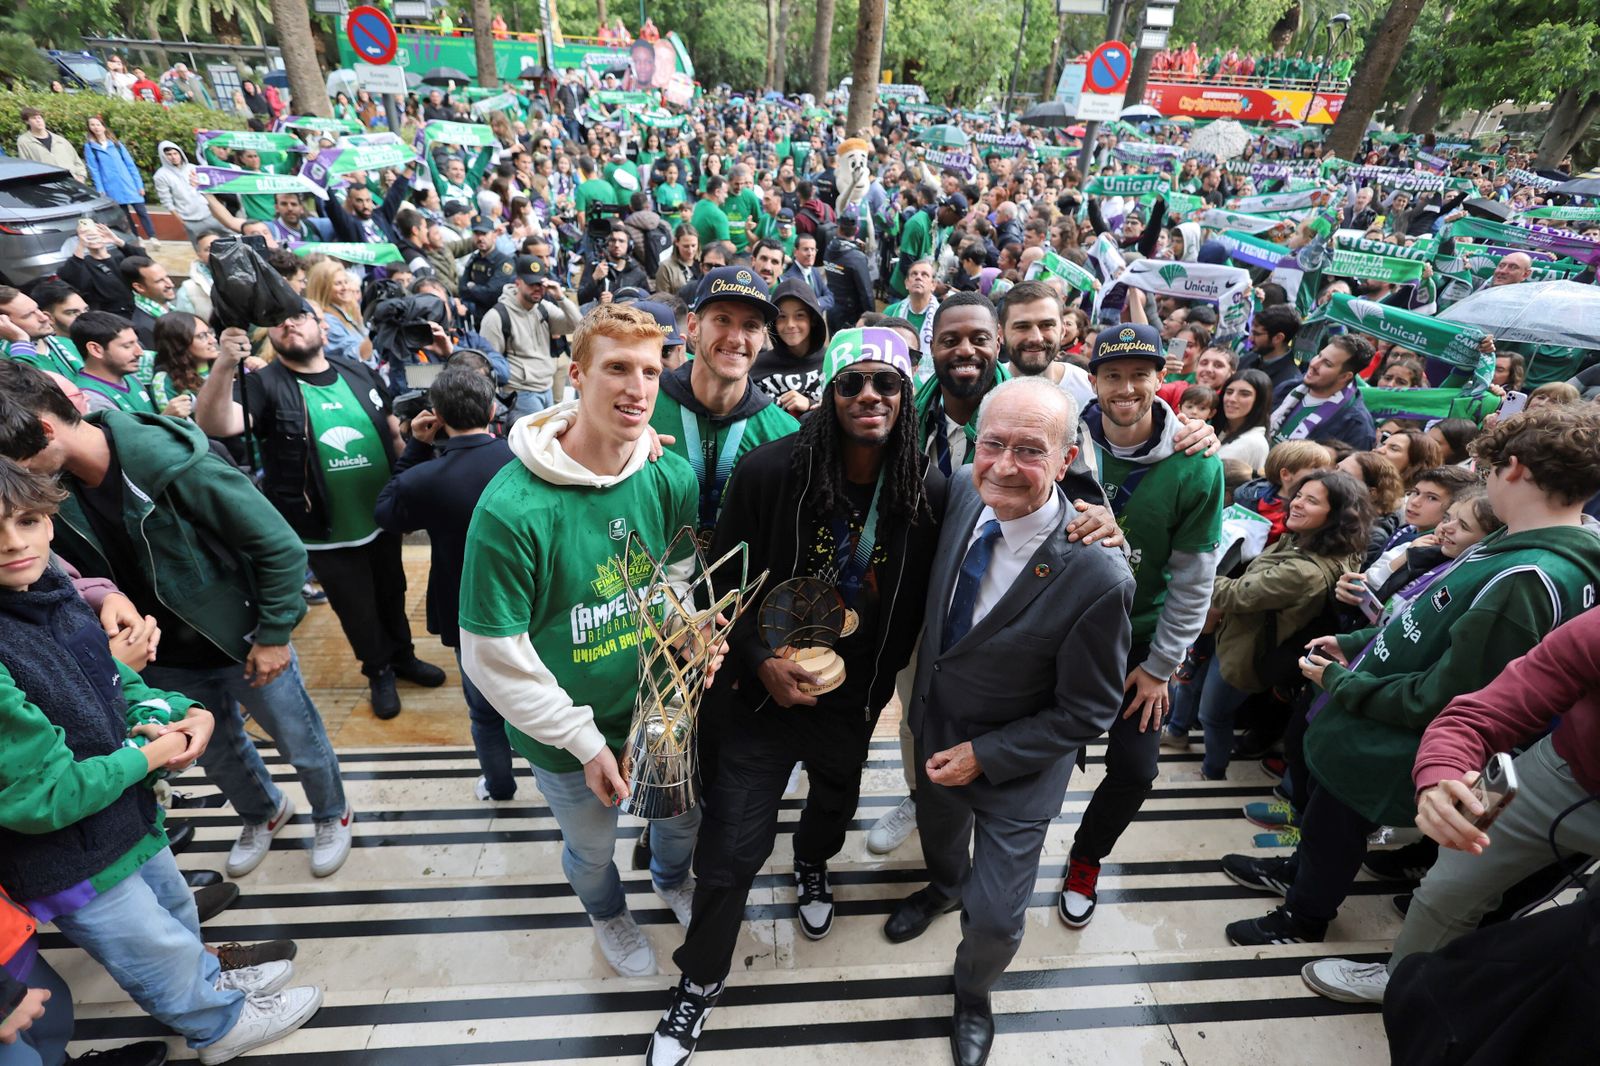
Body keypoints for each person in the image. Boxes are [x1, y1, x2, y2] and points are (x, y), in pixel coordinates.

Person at [648, 329, 945, 1064]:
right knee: (729, 851)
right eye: (852, 384)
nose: (870, 396)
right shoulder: (769, 470)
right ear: (830, 393)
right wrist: (756, 658)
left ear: (908, 397)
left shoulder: (928, 492)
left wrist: (1085, 517)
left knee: (833, 807)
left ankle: (813, 864)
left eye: (887, 383)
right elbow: (720, 587)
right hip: (758, 697)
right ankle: (701, 982)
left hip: (854, 700)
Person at [1220, 405, 1600, 946]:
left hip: (1386, 741)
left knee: (1336, 829)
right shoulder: (1515, 539)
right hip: (1369, 717)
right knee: (1324, 823)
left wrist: (1341, 682)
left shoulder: (1526, 577)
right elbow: (1426, 622)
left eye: (1487, 469)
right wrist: (1355, 643)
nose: (1483, 479)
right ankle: (1299, 873)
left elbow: (1448, 695)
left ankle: (1304, 915)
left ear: (1513, 469)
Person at [0, 457, 324, 1064]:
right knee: (147, 945)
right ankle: (216, 1025)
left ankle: (206, 981)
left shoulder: (50, 589)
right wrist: (152, 753)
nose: (15, 542)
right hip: (70, 855)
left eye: (27, 520)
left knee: (172, 914)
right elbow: (41, 795)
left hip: (122, 817)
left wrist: (178, 707)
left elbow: (106, 678)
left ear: (50, 519)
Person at [0, 360, 354, 880]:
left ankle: (331, 812)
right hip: (161, 655)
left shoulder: (170, 462)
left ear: (43, 432)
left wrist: (275, 636)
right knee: (215, 750)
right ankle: (264, 812)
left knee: (297, 736)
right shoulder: (48, 494)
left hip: (243, 639)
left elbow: (278, 546)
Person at [883, 377, 1134, 1066]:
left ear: (1066, 459)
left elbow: (1090, 710)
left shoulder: (1097, 576)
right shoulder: (964, 490)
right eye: (994, 443)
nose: (1003, 465)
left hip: (1017, 770)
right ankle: (940, 887)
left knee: (995, 918)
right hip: (934, 735)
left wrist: (986, 756)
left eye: (1031, 450)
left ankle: (972, 992)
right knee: (941, 843)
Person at [458, 303, 703, 978]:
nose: (638, 387)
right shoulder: (511, 510)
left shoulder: (669, 474)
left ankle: (671, 878)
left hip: (657, 708)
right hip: (567, 736)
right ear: (576, 376)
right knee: (592, 849)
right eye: (617, 368)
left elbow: (670, 577)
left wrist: (684, 630)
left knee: (680, 821)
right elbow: (491, 657)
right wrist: (584, 740)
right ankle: (606, 913)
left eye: (652, 370)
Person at [1303, 605, 1600, 1008]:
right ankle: (1403, 979)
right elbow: (1489, 708)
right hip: (1565, 772)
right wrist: (1442, 771)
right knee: (1450, 885)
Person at [194, 305, 446, 720]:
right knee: (356, 606)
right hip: (322, 529)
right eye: (278, 319)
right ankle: (378, 670)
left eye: (298, 315)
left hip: (381, 517)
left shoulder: (354, 369)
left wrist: (410, 485)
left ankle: (403, 657)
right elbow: (216, 423)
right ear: (269, 336)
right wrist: (224, 363)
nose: (288, 322)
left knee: (392, 592)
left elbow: (389, 426)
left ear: (321, 327)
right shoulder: (264, 383)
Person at [1058, 323, 1225, 926]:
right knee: (1035, 750)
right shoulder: (1064, 438)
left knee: (1135, 769)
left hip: (1142, 638)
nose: (1125, 387)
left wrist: (1163, 667)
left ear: (1161, 379)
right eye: (1112, 374)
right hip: (1062, 629)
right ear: (1094, 378)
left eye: (1139, 374)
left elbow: (1194, 574)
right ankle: (1009, 846)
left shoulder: (1197, 462)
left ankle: (1086, 857)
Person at [1167, 471, 1373, 774]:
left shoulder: (1302, 571)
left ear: (1337, 516)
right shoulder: (1316, 544)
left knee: (1213, 715)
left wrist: (1193, 567)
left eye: (1312, 501)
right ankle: (1180, 733)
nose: (1297, 504)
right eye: (1300, 495)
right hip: (1234, 636)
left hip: (1244, 652)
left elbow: (1233, 594)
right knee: (1194, 688)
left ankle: (1213, 770)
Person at [375, 367, 517, 800]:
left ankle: (499, 785)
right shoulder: (523, 462)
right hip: (530, 601)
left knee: (485, 714)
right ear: (493, 410)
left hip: (466, 610)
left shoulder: (425, 478)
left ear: (436, 416)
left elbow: (386, 512)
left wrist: (416, 446)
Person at [648, 267, 800, 544]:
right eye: (722, 319)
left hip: (743, 586)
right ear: (693, 326)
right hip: (650, 582)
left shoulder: (785, 433)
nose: (735, 338)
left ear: (763, 336)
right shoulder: (643, 405)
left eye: (751, 326)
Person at [480, 255, 583, 418]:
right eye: (531, 283)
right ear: (518, 282)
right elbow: (488, 363)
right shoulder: (496, 316)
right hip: (519, 392)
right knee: (533, 442)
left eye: (540, 284)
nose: (537, 289)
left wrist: (561, 298)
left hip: (546, 386)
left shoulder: (544, 308)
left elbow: (578, 326)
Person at [1268, 335, 1377, 451]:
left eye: (1327, 364)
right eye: (1319, 355)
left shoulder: (1356, 427)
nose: (1314, 364)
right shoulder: (1288, 387)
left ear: (1345, 376)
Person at [749, 277, 829, 416]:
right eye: (782, 316)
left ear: (813, 319)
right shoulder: (755, 365)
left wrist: (809, 404)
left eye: (799, 315)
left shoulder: (832, 362)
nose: (790, 324)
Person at [68, 312, 161, 416]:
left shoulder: (130, 377)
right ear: (96, 349)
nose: (139, 352)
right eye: (127, 346)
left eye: (137, 343)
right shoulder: (91, 398)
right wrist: (168, 417)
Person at [83, 116, 154, 241]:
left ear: (103, 126)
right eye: (92, 125)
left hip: (129, 183)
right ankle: (136, 237)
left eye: (98, 124)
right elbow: (95, 170)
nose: (96, 127)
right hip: (111, 186)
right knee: (124, 215)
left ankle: (152, 236)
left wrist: (139, 185)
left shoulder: (116, 145)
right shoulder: (90, 147)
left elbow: (130, 165)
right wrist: (100, 188)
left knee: (141, 211)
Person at [0, 286, 83, 381]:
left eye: (37, 309)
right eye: (28, 315)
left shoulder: (65, 343)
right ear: (3, 323)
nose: (44, 318)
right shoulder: (4, 362)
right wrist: (20, 340)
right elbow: (28, 386)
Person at [153, 142, 227, 242]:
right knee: (203, 248)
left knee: (227, 238)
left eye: (175, 153)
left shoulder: (193, 168)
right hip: (190, 220)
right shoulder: (160, 176)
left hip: (209, 214)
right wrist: (182, 221)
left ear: (180, 153)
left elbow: (207, 187)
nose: (173, 157)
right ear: (163, 156)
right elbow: (167, 201)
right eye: (169, 155)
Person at [304, 261, 371, 367]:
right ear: (323, 289)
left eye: (346, 282)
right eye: (338, 283)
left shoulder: (347, 312)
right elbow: (356, 357)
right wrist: (376, 331)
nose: (345, 287)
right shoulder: (327, 321)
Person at [148, 311, 217, 411]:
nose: (213, 340)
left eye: (210, 333)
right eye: (202, 336)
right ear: (179, 344)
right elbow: (175, 424)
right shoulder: (164, 382)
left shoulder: (226, 365)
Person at [822, 208, 874, 333]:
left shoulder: (829, 248)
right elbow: (866, 293)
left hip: (832, 308)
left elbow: (842, 252)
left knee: (835, 345)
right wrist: (872, 319)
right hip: (850, 314)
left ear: (839, 228)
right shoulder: (857, 258)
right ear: (856, 230)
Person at [1213, 369, 1274, 473]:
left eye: (1244, 394)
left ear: (1259, 401)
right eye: (1229, 392)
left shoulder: (1255, 443)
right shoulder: (1213, 427)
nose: (1232, 399)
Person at [1239, 304, 1303, 397]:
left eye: (1256, 334)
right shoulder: (1247, 358)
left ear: (1278, 338)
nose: (1250, 339)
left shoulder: (1288, 382)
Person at [578, 226, 651, 305]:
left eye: (621, 241)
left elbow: (646, 303)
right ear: (607, 243)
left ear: (629, 246)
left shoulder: (638, 274)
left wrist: (616, 301)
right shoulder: (595, 267)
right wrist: (594, 279)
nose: (616, 245)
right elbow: (581, 300)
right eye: (613, 240)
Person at [15, 107, 87, 184]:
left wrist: (81, 177)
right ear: (27, 121)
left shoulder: (60, 140)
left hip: (72, 182)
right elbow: (26, 167)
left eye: (40, 117)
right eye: (34, 118)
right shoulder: (24, 141)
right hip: (48, 185)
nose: (38, 120)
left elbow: (77, 161)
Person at [122, 257, 175, 349]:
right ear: (139, 287)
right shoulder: (145, 327)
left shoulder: (170, 311)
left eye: (166, 277)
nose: (170, 284)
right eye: (159, 281)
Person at [781, 232, 835, 317]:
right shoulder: (789, 279)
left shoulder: (814, 271)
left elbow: (830, 297)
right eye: (806, 249)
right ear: (795, 252)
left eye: (813, 249)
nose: (810, 254)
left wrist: (815, 303)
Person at [1375, 428, 1443, 486]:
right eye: (1382, 445)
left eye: (1394, 448)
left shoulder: (1412, 500)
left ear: (1415, 463)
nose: (1379, 450)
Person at [655, 224, 701, 297]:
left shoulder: (705, 262)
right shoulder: (666, 267)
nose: (690, 250)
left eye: (693, 245)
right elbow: (662, 299)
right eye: (686, 246)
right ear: (676, 242)